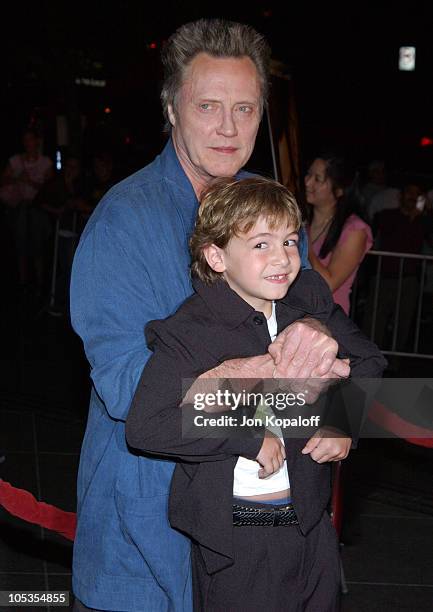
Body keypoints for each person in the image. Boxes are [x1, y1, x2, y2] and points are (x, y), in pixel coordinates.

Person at [70, 19, 351, 612]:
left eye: (245, 108)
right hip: (150, 529)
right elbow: (133, 395)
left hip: (257, 536)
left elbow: (324, 322)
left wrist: (321, 341)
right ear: (172, 108)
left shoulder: (264, 205)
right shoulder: (124, 222)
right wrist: (268, 372)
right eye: (208, 106)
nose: (228, 127)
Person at [126, 176, 387, 611]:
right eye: (260, 245)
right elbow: (147, 425)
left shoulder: (307, 301)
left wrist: (343, 417)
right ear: (216, 256)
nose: (282, 258)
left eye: (288, 241)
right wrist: (248, 432)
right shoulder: (190, 331)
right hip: (239, 536)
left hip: (309, 523)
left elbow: (369, 359)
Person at [305, 153, 373, 315]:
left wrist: (302, 242)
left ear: (339, 189)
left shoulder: (355, 230)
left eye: (318, 179)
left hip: (327, 319)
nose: (307, 182)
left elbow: (329, 284)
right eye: (308, 174)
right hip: (297, 312)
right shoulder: (303, 220)